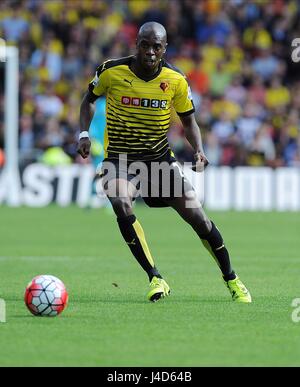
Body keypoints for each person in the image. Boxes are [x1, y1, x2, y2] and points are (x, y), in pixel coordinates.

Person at [78, 22, 251, 303]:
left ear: (164, 49)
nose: (149, 51)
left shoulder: (176, 79)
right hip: (119, 159)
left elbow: (188, 121)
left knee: (199, 219)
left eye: (156, 46)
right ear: (136, 44)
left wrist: (199, 150)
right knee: (121, 202)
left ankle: (232, 278)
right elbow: (89, 99)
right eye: (145, 44)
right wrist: (84, 133)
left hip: (158, 161)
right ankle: (155, 277)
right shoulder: (111, 70)